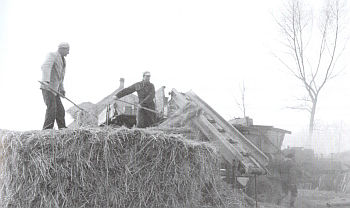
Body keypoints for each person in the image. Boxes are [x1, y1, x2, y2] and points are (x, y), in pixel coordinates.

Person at [40, 42, 70, 130]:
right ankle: (47, 129)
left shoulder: (63, 61)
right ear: (62, 49)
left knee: (60, 110)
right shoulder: (52, 55)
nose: (68, 53)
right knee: (52, 108)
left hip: (55, 90)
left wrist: (62, 90)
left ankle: (62, 129)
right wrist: (45, 80)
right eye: (67, 50)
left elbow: (60, 78)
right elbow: (46, 66)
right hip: (48, 87)